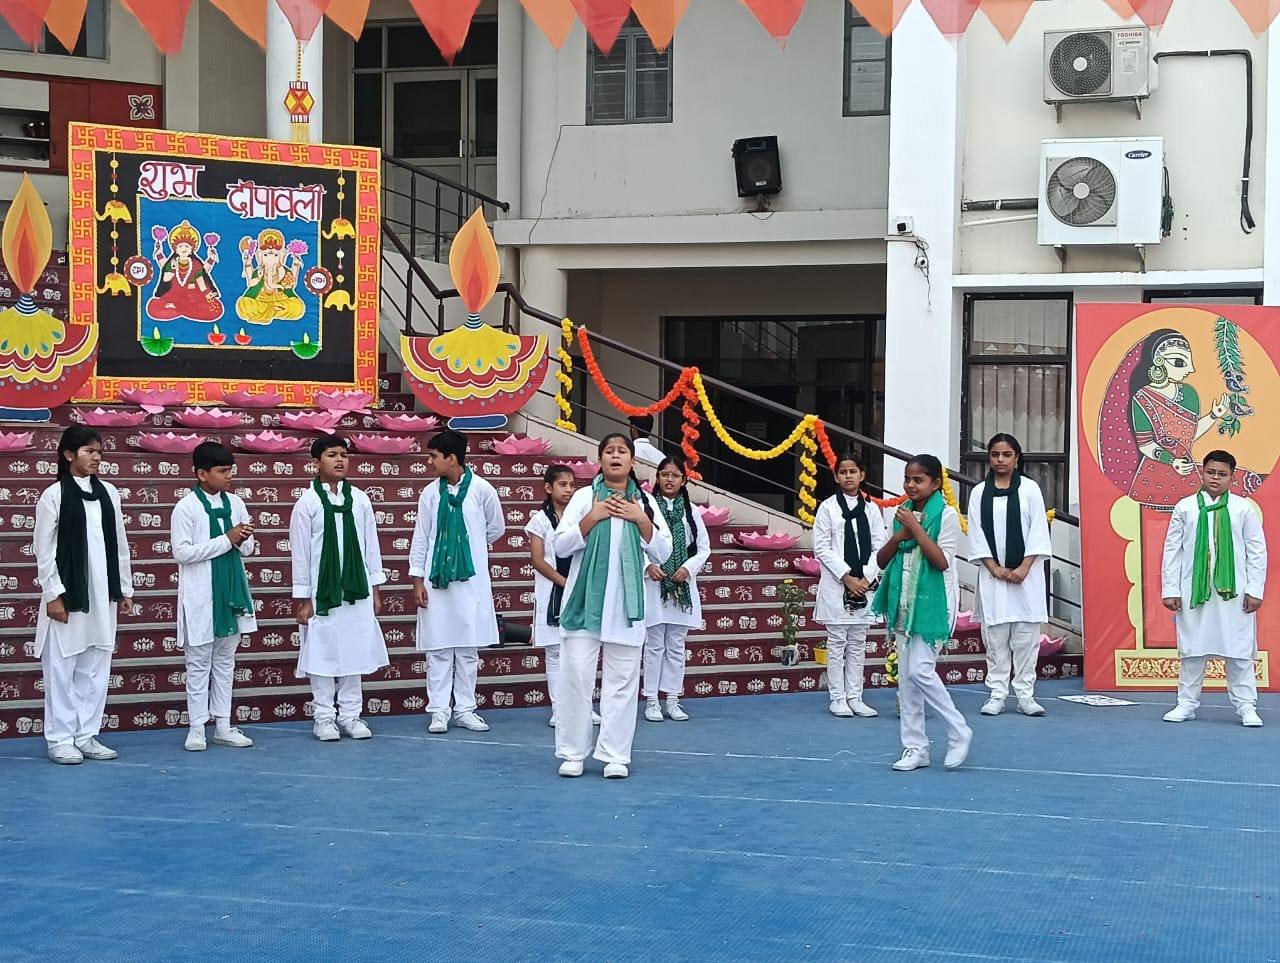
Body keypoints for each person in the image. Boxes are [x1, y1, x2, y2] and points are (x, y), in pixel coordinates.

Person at [551, 433, 672, 779]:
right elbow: (560, 546)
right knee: (576, 678)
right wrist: (593, 516)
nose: (615, 456)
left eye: (622, 451)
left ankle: (615, 755)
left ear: (633, 461)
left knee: (622, 682)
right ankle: (573, 753)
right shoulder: (583, 497)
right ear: (600, 459)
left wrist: (641, 519)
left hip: (625, 607)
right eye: (609, 451)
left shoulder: (644, 501)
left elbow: (663, 551)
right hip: (584, 604)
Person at [31, 425, 133, 765]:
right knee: (62, 668)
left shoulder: (109, 493)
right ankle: (60, 739)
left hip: (102, 595)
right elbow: (43, 549)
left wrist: (124, 588)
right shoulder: (54, 496)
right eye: (89, 451)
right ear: (68, 455)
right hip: (69, 595)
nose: (96, 457)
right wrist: (53, 594)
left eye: (99, 451)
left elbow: (119, 543)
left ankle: (86, 735)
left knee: (95, 667)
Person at [873, 454, 972, 772]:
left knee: (920, 670)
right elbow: (882, 559)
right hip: (903, 599)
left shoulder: (946, 515)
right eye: (907, 479)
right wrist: (900, 535)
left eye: (918, 479)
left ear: (936, 483)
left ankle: (958, 731)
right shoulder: (901, 514)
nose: (911, 485)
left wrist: (915, 529)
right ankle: (916, 748)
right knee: (906, 679)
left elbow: (941, 561)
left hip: (935, 602)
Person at [289, 435, 388, 741]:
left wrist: (375, 588)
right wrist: (303, 598)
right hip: (322, 593)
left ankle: (351, 716)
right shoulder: (307, 504)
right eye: (332, 455)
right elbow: (301, 554)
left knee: (355, 651)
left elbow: (371, 546)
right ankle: (323, 718)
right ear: (316, 462)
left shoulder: (360, 499)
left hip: (356, 590)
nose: (340, 460)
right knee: (322, 654)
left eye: (343, 454)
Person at [409, 429, 505, 735]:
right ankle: (439, 711)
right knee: (438, 648)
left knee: (467, 649)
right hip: (436, 580)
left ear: (451, 459)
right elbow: (422, 536)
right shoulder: (430, 493)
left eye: (434, 456)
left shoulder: (482, 490)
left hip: (470, 579)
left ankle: (465, 709)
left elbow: (496, 528)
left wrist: (466, 547)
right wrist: (417, 579)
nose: (429, 462)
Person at [1161, 450, 1266, 728]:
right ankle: (1186, 704)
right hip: (1194, 592)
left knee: (1239, 651)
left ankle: (1246, 707)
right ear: (1202, 473)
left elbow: (1257, 550)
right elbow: (1172, 550)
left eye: (1222, 474)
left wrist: (1255, 589)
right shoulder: (1185, 507)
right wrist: (1170, 589)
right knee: (1193, 650)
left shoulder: (1243, 508)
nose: (1215, 478)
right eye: (1210, 472)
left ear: (1232, 477)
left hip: (1235, 592)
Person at [170, 441, 257, 751]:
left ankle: (222, 724)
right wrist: (226, 539)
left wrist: (242, 539)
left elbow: (248, 549)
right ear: (202, 474)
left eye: (230, 470)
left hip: (232, 592)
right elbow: (182, 553)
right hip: (201, 596)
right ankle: (196, 727)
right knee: (197, 664)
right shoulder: (186, 507)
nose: (229, 476)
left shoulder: (236, 503)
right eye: (222, 471)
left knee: (225, 662)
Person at [966, 434, 1053, 718]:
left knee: (1026, 638)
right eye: (995, 454)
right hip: (994, 577)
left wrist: (1024, 568)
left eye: (1006, 454)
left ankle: (1026, 695)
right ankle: (997, 694)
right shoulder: (980, 492)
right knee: (995, 637)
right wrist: (995, 568)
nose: (1000, 460)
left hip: (1026, 577)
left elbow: (1038, 530)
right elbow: (976, 534)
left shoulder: (1029, 489)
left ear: (1017, 458)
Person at [812, 452, 887, 719]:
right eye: (843, 472)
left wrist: (865, 578)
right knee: (837, 642)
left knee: (858, 642)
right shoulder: (828, 508)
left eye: (853, 471)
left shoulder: (871, 509)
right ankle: (837, 697)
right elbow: (821, 547)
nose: (848, 476)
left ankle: (855, 696)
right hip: (838, 584)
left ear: (862, 475)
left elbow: (880, 546)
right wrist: (847, 577)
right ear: (836, 476)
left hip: (864, 585)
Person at [525, 465, 601, 728]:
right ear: (548, 488)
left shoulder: (580, 516)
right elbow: (537, 560)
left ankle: (583, 707)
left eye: (571, 485)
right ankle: (559, 710)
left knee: (581, 653)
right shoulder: (540, 520)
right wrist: (564, 583)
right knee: (556, 654)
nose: (568, 490)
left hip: (580, 589)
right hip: (553, 592)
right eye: (562, 484)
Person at [643, 455, 711, 723]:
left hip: (682, 587)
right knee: (654, 645)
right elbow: (637, 541)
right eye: (664, 474)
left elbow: (703, 548)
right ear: (657, 478)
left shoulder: (690, 511)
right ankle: (651, 700)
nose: (669, 479)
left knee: (675, 645)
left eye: (674, 475)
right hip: (655, 584)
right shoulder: (647, 506)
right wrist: (648, 565)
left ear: (683, 480)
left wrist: (688, 568)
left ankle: (672, 698)